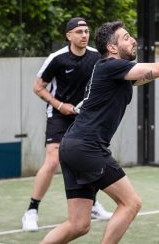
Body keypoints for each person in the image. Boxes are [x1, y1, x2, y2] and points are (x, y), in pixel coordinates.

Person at [40, 21, 159, 243]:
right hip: (87, 148)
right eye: (126, 37)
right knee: (131, 203)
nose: (133, 40)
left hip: (72, 147)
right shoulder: (111, 66)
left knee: (78, 225)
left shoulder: (116, 73)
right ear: (112, 48)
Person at [22, 17, 112, 232]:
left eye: (86, 31)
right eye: (79, 32)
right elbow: (38, 87)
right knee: (53, 161)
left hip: (85, 118)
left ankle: (91, 205)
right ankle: (31, 211)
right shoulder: (57, 59)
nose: (84, 35)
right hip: (59, 116)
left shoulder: (96, 57)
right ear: (68, 35)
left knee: (91, 160)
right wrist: (60, 105)